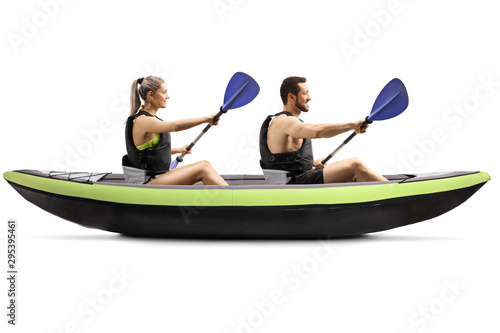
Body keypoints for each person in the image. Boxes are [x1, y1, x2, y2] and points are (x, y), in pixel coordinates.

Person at [259, 76, 387, 184]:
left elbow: (286, 161)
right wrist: (353, 125)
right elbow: (316, 131)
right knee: (355, 165)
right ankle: (395, 191)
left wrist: (311, 164)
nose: (309, 97)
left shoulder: (286, 122)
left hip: (294, 180)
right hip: (292, 184)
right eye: (305, 93)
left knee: (351, 165)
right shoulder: (284, 121)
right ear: (291, 97)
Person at [124, 76, 228, 185]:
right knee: (204, 168)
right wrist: (206, 119)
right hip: (147, 182)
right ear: (151, 95)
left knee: (205, 164)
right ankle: (232, 198)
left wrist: (179, 150)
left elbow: (149, 153)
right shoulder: (143, 120)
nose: (168, 96)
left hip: (156, 177)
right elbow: (175, 126)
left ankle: (229, 195)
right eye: (164, 92)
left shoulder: (149, 119)